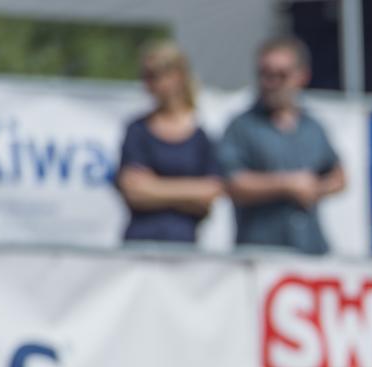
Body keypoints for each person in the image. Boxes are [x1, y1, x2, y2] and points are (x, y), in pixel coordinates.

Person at [217, 36, 346, 255]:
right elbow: (232, 183)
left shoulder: (312, 127)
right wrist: (287, 185)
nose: (272, 83)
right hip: (260, 254)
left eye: (281, 75)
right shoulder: (241, 127)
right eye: (266, 74)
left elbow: (338, 176)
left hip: (311, 249)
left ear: (302, 76)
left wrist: (315, 188)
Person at [116, 40, 223, 244]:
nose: (148, 84)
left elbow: (210, 192)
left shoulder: (202, 132)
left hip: (184, 244)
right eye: (146, 77)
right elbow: (133, 190)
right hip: (140, 242)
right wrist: (190, 193)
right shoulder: (137, 130)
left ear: (177, 77)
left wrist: (154, 187)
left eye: (154, 76)